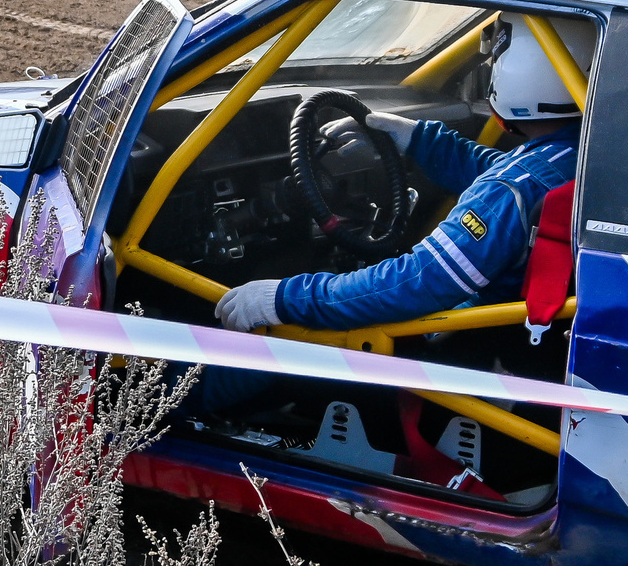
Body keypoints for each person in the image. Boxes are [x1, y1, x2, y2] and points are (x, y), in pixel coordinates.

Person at [211, 18, 589, 351]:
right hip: (538, 332)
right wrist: (418, 139)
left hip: (467, 348)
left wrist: (286, 298)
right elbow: (515, 179)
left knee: (269, 350)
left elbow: (417, 281)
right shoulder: (590, 155)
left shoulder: (510, 190)